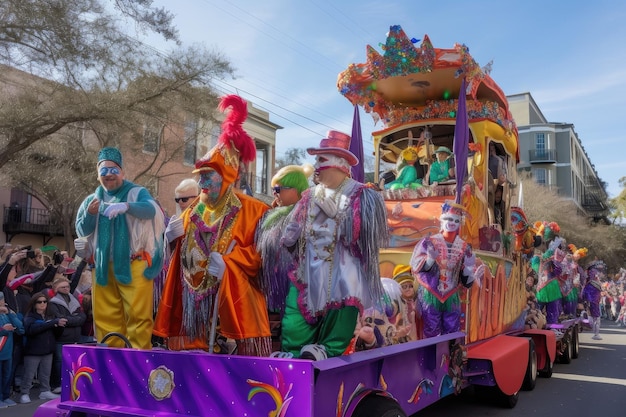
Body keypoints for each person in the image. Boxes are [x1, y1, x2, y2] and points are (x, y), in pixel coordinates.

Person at [154, 94, 272, 356]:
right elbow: (180, 258)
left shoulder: (255, 210)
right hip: (193, 311)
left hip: (233, 306)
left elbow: (263, 259)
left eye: (209, 177)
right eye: (201, 177)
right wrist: (171, 240)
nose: (203, 184)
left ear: (227, 177)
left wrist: (231, 262)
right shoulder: (192, 210)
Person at [279, 130, 389, 360]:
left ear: (339, 163)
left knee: (344, 293)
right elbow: (294, 229)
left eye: (321, 159)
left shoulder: (361, 194)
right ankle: (292, 350)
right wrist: (290, 236)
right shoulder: (309, 195)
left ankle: (328, 348)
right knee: (296, 310)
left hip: (342, 266)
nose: (316, 165)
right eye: (316, 159)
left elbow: (366, 238)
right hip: (309, 266)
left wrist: (342, 218)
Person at [75, 146, 165, 350]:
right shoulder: (91, 199)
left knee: (137, 317)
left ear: (122, 172)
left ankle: (137, 363)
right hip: (103, 267)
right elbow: (81, 229)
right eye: (104, 171)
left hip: (134, 264)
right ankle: (110, 363)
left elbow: (152, 211)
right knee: (105, 317)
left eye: (113, 170)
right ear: (98, 175)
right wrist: (90, 214)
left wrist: (127, 206)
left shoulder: (136, 192)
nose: (109, 175)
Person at [409, 201, 477, 338]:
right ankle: (432, 357)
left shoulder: (464, 247)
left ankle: (450, 357)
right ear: (441, 220)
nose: (451, 223)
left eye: (455, 220)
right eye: (448, 219)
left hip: (451, 294)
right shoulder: (429, 242)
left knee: (452, 328)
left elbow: (466, 281)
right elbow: (418, 268)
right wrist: (430, 260)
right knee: (431, 327)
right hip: (431, 293)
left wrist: (469, 269)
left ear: (459, 223)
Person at [256, 163, 314, 315]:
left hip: (296, 288)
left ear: (296, 189)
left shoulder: (307, 215)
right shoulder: (272, 215)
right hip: (273, 288)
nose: (274, 193)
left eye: (278, 189)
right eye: (273, 189)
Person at [20, 292, 64, 404]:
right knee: (29, 374)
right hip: (33, 351)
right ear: (34, 304)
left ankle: (45, 390)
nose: (43, 304)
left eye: (45, 301)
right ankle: (24, 393)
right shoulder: (30, 317)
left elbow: (56, 334)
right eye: (39, 302)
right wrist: (52, 323)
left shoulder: (49, 316)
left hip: (47, 349)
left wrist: (59, 327)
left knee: (45, 373)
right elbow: (32, 330)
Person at [48, 276, 86, 394]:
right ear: (56, 289)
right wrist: (75, 320)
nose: (66, 288)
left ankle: (71, 383)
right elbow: (60, 319)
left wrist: (71, 320)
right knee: (59, 361)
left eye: (67, 286)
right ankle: (57, 384)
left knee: (73, 362)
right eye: (63, 287)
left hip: (75, 337)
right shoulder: (53, 303)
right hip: (61, 338)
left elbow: (82, 317)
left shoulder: (74, 300)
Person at [0, 292, 24, 408]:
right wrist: (3, 330)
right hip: (1, 350)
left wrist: (9, 313)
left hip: (8, 351)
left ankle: (5, 396)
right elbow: (3, 330)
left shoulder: (7, 313)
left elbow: (20, 328)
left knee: (7, 375)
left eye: (2, 299)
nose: (2, 302)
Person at [582, 260, 606, 340]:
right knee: (596, 316)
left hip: (592, 298)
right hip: (593, 299)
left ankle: (595, 333)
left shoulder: (590, 282)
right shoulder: (593, 280)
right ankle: (596, 334)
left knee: (592, 314)